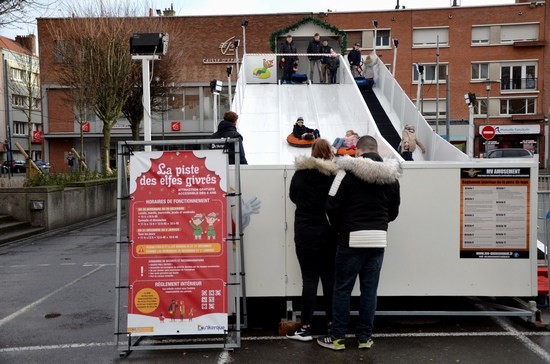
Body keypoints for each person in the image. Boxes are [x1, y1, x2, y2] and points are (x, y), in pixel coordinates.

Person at [317, 135, 401, 351]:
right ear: (376, 150)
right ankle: (364, 338)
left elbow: (331, 205)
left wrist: (341, 228)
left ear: (357, 151)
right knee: (369, 291)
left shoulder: (346, 172)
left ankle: (337, 338)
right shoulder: (392, 176)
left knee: (342, 289)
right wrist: (380, 223)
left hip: (350, 239)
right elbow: (394, 211)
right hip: (378, 239)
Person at [287, 139, 339, 342]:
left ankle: (305, 327)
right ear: (330, 153)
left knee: (309, 280)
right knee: (329, 280)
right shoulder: (335, 175)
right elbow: (338, 202)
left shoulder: (300, 174)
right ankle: (332, 325)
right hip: (328, 233)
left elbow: (293, 197)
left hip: (305, 233)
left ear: (312, 152)